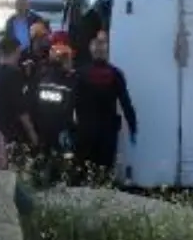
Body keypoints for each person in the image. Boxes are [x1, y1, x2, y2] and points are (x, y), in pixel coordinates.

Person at [73, 34, 137, 181]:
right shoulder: (115, 74)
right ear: (107, 52)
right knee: (104, 172)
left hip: (85, 131)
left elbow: (71, 102)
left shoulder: (81, 74)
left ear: (91, 52)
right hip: (107, 131)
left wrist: (69, 126)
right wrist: (133, 127)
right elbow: (126, 103)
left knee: (83, 171)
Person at [0, 37, 37, 154]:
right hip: (7, 130)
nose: (19, 57)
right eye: (18, 53)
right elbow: (20, 108)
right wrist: (32, 133)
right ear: (13, 52)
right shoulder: (12, 74)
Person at [31, 43, 76, 184]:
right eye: (69, 59)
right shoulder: (69, 81)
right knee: (63, 156)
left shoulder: (41, 77)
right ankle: (58, 182)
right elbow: (72, 107)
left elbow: (33, 102)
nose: (71, 62)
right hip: (61, 128)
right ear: (64, 60)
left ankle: (36, 181)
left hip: (42, 126)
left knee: (42, 154)